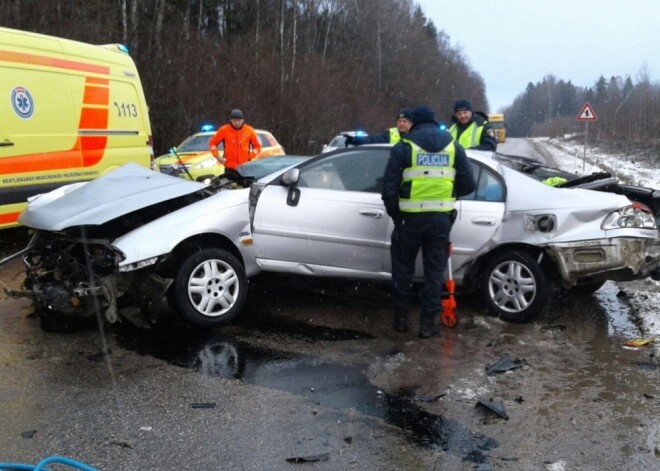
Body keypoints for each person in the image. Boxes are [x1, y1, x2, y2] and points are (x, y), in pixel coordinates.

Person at [381, 105, 476, 338]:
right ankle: (427, 325)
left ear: (413, 122)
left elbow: (389, 189)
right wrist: (447, 198)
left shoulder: (404, 146)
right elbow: (469, 184)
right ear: (435, 122)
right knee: (434, 273)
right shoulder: (453, 146)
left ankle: (401, 320)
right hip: (440, 221)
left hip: (408, 221)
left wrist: (397, 215)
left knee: (403, 271)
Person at [209, 109, 261, 181]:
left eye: (239, 120)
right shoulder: (224, 130)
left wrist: (250, 156)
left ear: (242, 120)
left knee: (245, 189)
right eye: (234, 120)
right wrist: (218, 157)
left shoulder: (249, 131)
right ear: (231, 120)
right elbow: (212, 143)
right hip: (230, 167)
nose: (236, 122)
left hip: (245, 167)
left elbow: (258, 146)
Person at [344, 108, 414, 146]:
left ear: (411, 123)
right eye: (399, 121)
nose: (401, 124)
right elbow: (373, 140)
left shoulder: (416, 134)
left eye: (404, 121)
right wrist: (358, 140)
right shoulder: (390, 134)